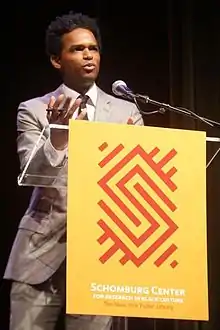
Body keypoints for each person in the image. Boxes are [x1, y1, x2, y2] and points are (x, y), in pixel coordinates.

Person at [4, 11, 144, 330]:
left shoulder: (126, 111)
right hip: (40, 254)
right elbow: (32, 172)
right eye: (77, 49)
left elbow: (137, 180)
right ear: (57, 60)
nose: (88, 55)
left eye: (92, 48)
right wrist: (58, 135)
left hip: (103, 253)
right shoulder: (35, 109)